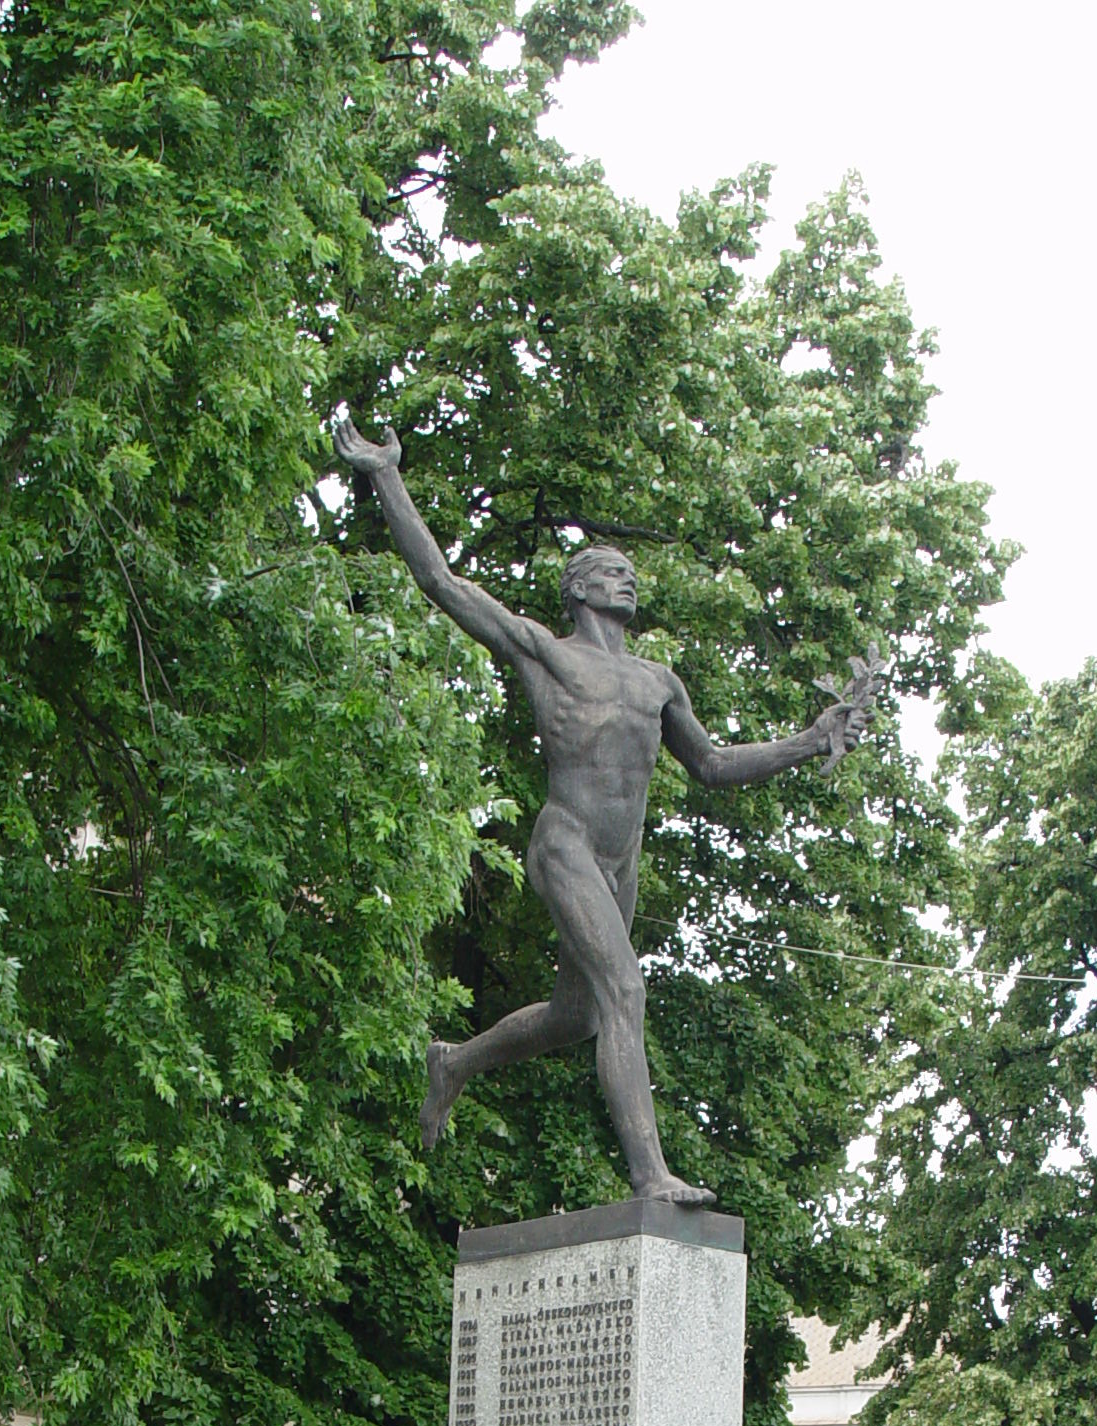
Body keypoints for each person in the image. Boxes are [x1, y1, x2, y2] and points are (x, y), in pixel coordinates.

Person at [333, 420, 880, 1203]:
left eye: (629, 573)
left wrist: (807, 741)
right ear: (578, 588)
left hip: (622, 861)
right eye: (608, 571)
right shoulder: (546, 651)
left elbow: (715, 765)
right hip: (568, 843)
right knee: (625, 990)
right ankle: (649, 1175)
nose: (625, 580)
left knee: (577, 1015)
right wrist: (387, 474)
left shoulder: (659, 681)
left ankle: (453, 1061)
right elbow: (444, 584)